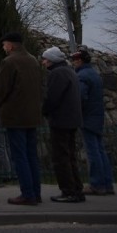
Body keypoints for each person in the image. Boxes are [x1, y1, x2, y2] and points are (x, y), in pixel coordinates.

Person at [0, 32, 43, 206]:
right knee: (32, 156)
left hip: (15, 115)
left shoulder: (9, 62)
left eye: (4, 44)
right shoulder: (33, 60)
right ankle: (36, 192)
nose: (3, 47)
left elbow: (2, 89)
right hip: (32, 115)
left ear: (11, 45)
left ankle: (27, 194)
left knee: (19, 156)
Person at [41, 46, 84, 203]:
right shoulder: (69, 71)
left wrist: (44, 111)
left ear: (52, 60)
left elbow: (52, 98)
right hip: (72, 119)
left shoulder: (57, 74)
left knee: (61, 157)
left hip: (61, 120)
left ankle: (68, 191)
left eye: (45, 59)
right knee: (70, 156)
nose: (43, 62)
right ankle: (76, 189)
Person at [70, 49, 115, 196]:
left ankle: (96, 184)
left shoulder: (82, 76)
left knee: (93, 152)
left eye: (75, 60)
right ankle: (107, 183)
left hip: (87, 117)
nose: (73, 63)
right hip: (97, 117)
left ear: (79, 61)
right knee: (100, 151)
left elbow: (81, 97)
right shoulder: (94, 74)